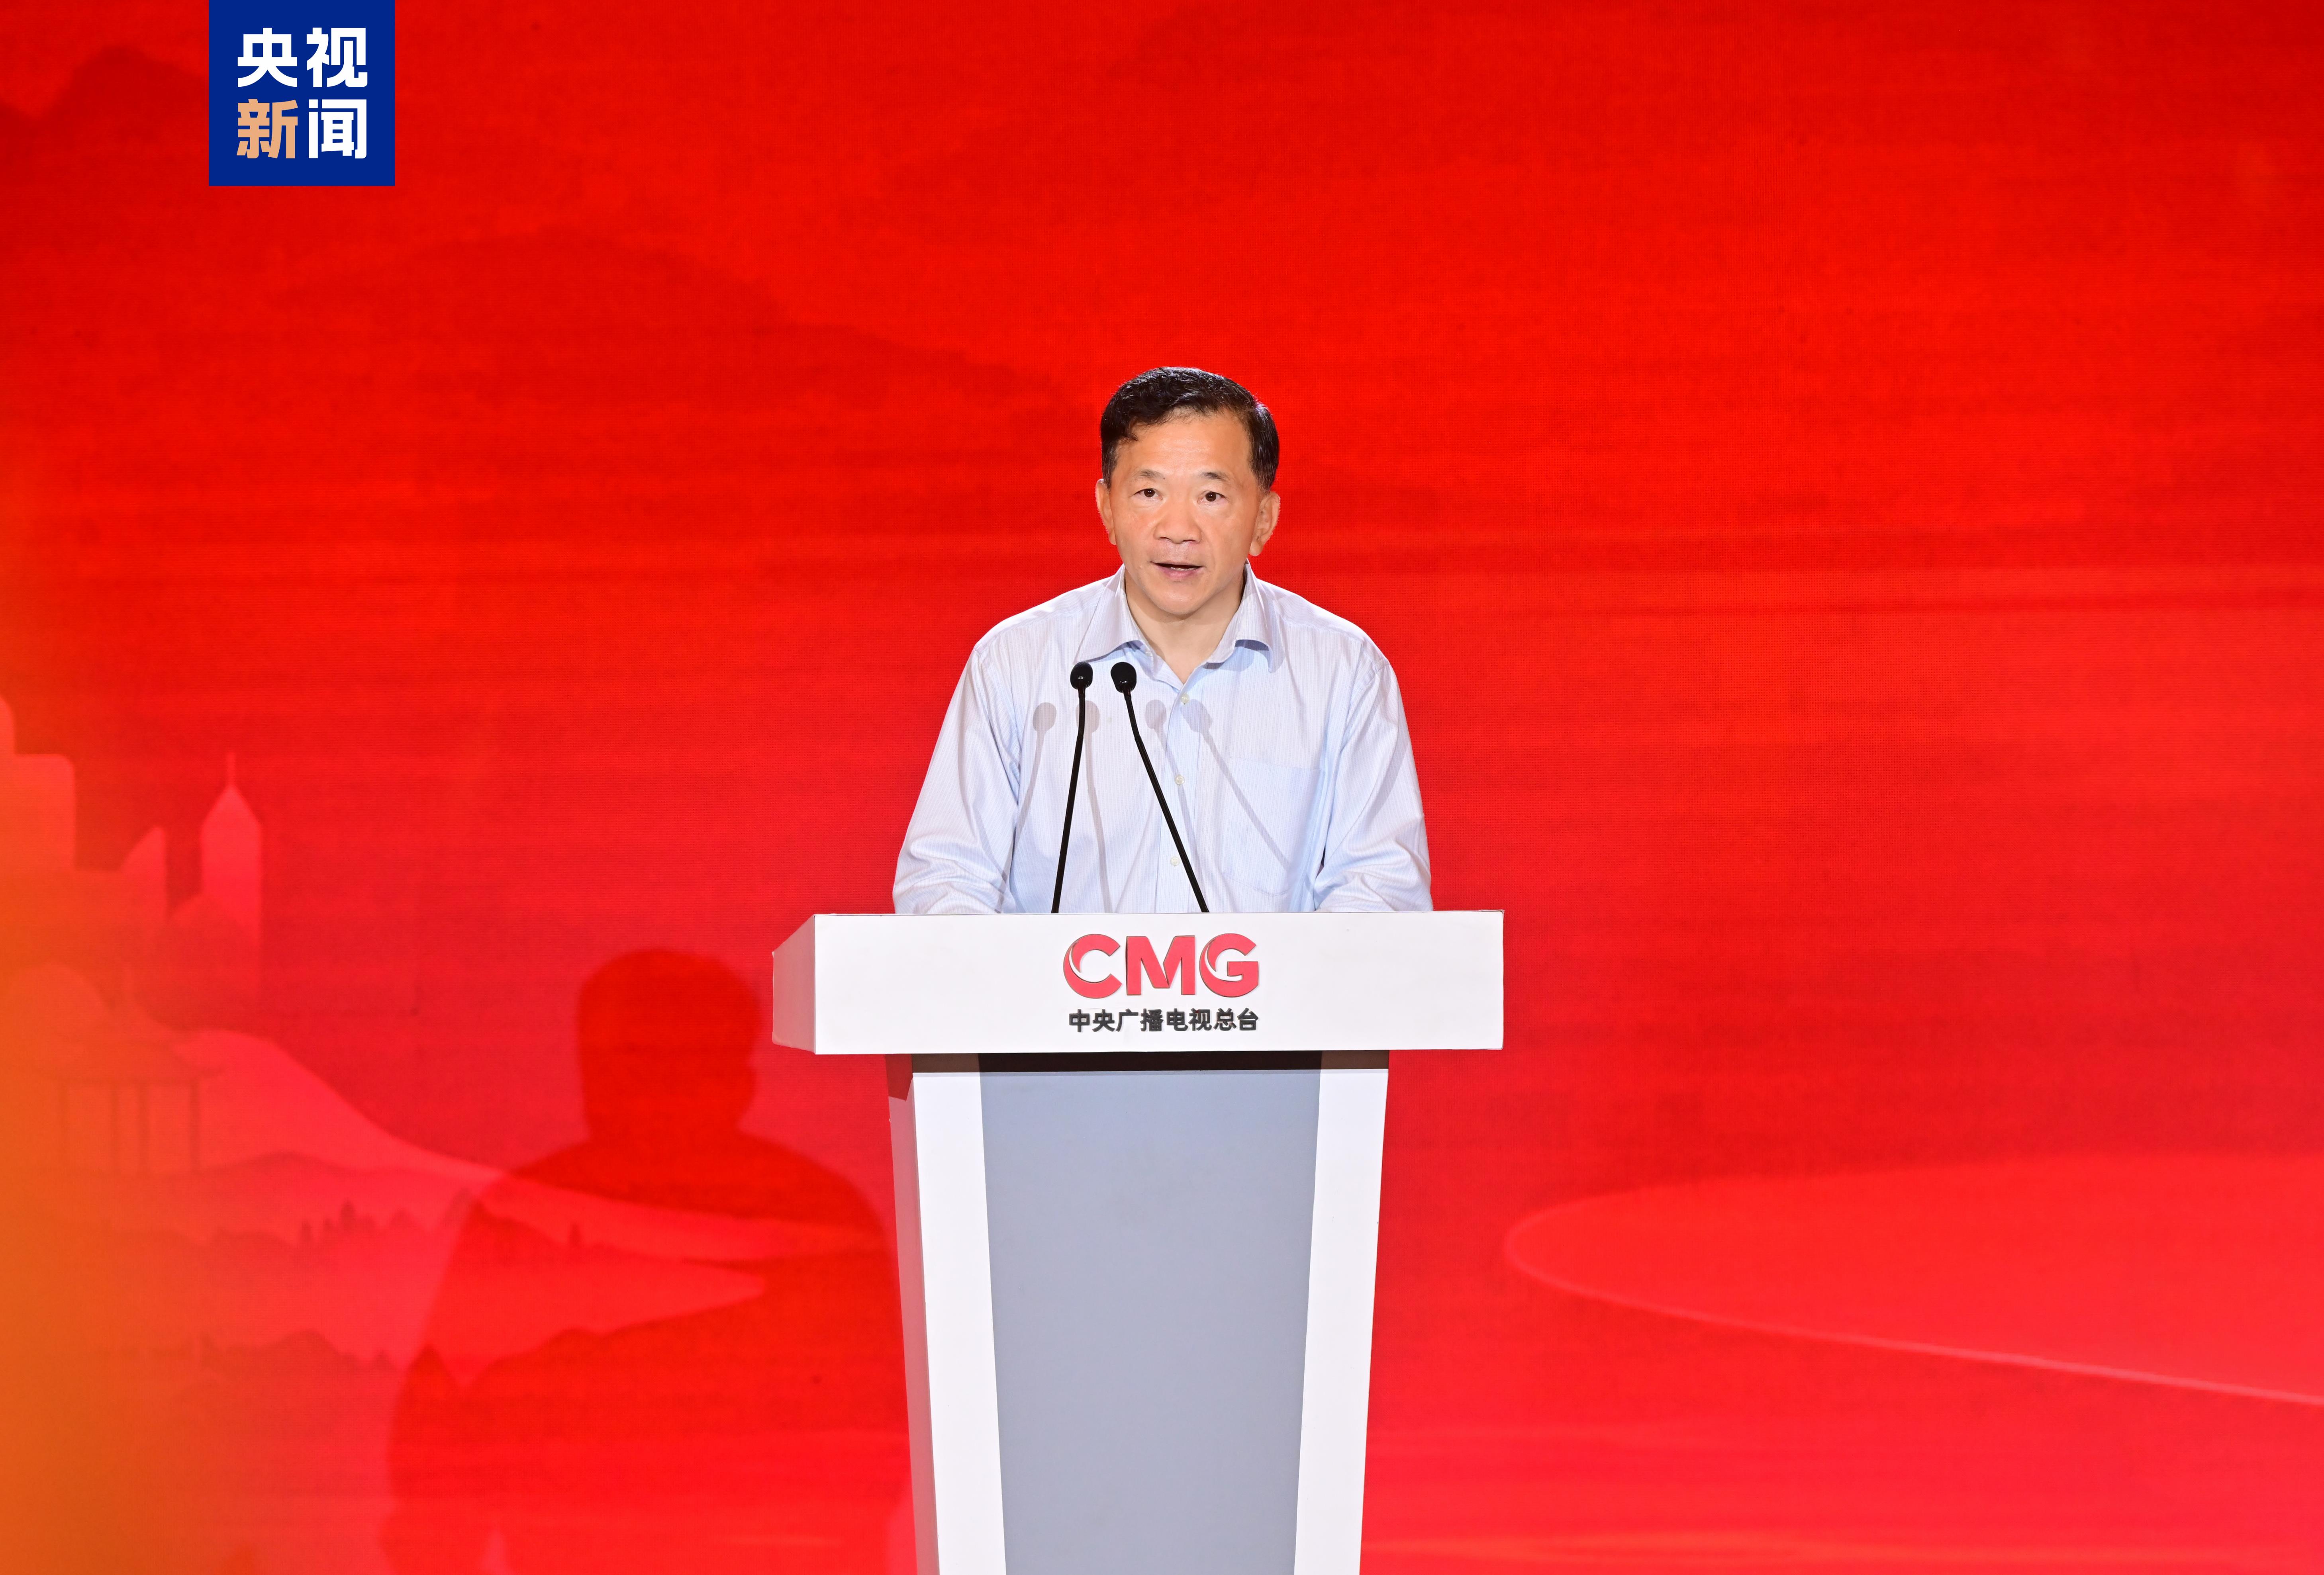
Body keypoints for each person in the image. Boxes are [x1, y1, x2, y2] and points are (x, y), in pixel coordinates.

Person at [895, 366, 1429, 915]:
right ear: (1107, 508)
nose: (1178, 530)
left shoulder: (1343, 671)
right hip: (1054, 978)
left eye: (1211, 496)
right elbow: (946, 878)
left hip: (1268, 980)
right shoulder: (1015, 662)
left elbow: (1381, 890)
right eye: (1149, 492)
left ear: (1264, 520)